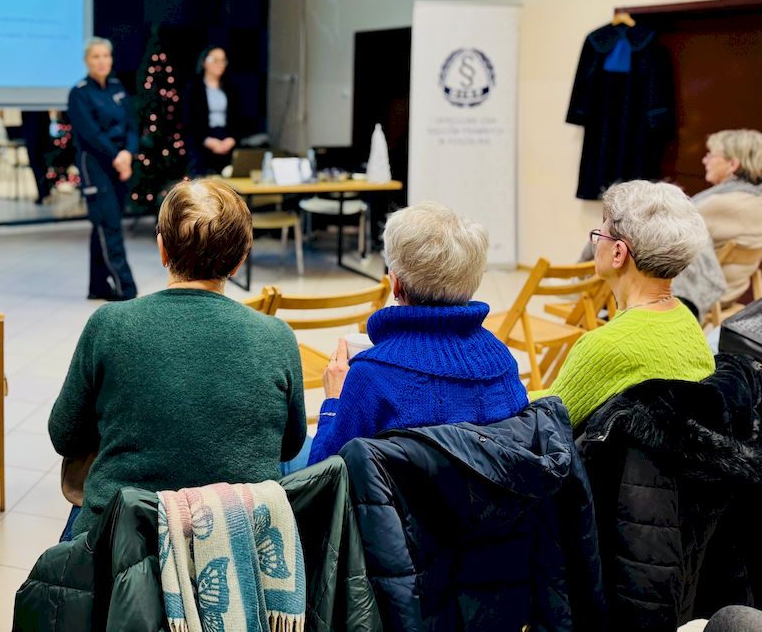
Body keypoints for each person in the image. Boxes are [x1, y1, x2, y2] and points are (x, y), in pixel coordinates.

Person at [48, 178, 306, 539]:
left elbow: (65, 436)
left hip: (124, 540)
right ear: (239, 260)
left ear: (163, 251)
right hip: (237, 540)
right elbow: (290, 444)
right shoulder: (277, 336)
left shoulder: (109, 324)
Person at [308, 202, 527, 465]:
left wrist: (334, 400)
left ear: (396, 285)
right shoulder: (502, 360)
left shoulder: (370, 374)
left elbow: (323, 475)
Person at [536, 180, 715, 427]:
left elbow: (545, 421)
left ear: (618, 253)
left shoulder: (605, 345)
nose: (595, 243)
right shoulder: (686, 319)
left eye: (599, 235)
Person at [68, 38, 138, 300]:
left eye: (106, 55)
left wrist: (127, 154)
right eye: (96, 56)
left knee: (105, 222)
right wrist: (117, 156)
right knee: (109, 226)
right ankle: (127, 291)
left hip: (120, 162)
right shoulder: (79, 93)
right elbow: (91, 134)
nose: (102, 61)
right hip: (95, 164)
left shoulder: (118, 88)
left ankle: (97, 286)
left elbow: (132, 126)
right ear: (87, 61)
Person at [696, 129, 762, 305]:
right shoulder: (756, 199)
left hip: (695, 299)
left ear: (732, 164)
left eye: (711, 155)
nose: (704, 160)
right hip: (728, 296)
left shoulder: (721, 204)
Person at [184, 46, 241, 177]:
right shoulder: (194, 88)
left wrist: (232, 139)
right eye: (215, 60)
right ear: (204, 62)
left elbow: (238, 118)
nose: (220, 64)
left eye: (223, 60)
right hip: (202, 141)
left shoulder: (230, 87)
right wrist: (207, 141)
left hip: (226, 139)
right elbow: (189, 119)